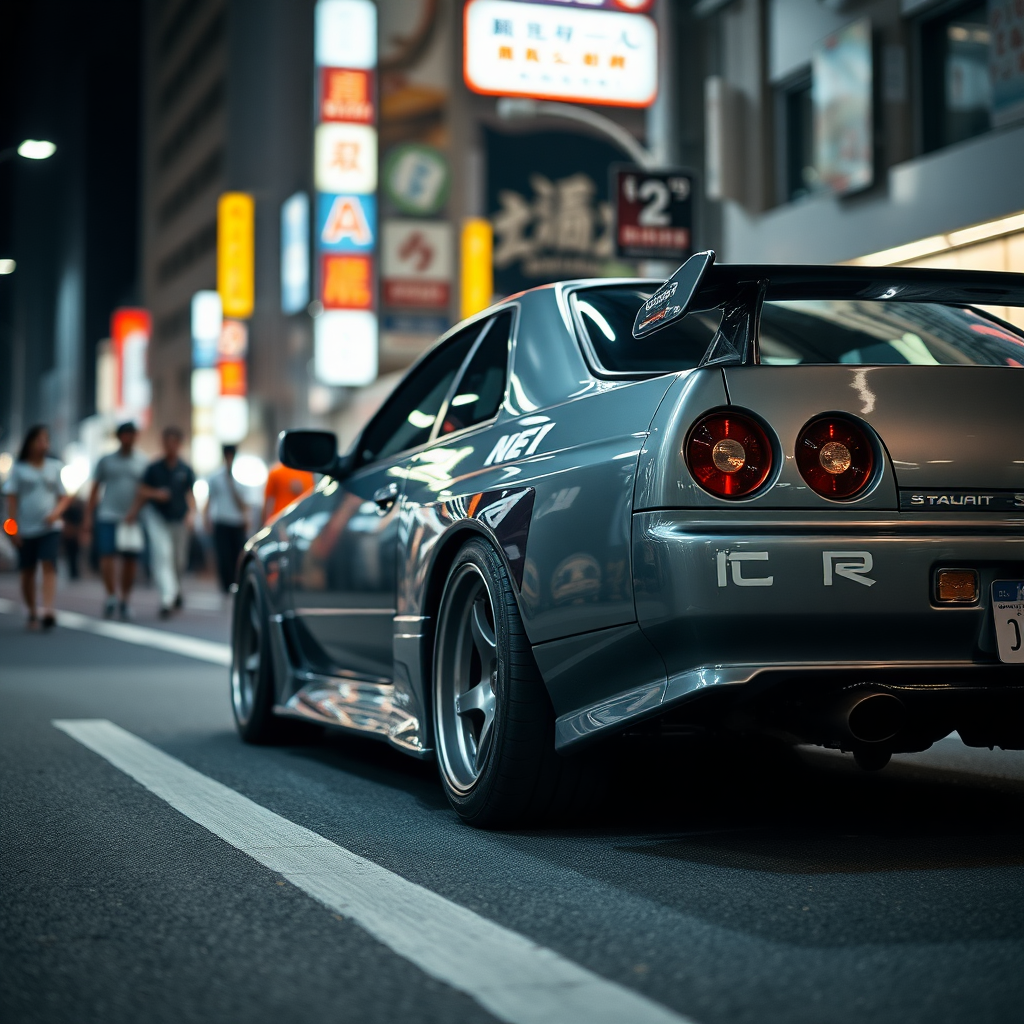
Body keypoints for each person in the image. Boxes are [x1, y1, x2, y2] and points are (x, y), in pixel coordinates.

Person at [1, 425, 70, 631]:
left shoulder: (54, 467)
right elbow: (11, 501)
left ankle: (48, 609)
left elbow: (64, 496)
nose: (43, 445)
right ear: (30, 443)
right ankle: (32, 610)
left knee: (49, 563)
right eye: (39, 440)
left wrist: (56, 513)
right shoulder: (19, 469)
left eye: (46, 440)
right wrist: (13, 530)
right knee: (27, 571)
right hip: (26, 528)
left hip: (50, 526)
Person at [128, 426, 196, 619]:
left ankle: (176, 590)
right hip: (157, 518)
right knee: (162, 555)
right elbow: (141, 490)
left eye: (175, 442)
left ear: (180, 444)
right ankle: (167, 598)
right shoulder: (153, 468)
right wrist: (154, 495)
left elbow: (191, 496)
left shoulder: (185, 469)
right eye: (168, 442)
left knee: (179, 560)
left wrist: (192, 514)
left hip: (180, 519)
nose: (171, 446)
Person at [85, 422, 148, 619]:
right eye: (125, 435)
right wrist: (88, 516)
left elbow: (144, 491)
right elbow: (95, 488)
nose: (129, 439)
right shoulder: (105, 460)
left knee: (130, 560)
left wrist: (135, 510)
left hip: (132, 518)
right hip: (108, 514)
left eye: (132, 435)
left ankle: (125, 599)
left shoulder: (143, 461)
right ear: (119, 437)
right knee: (107, 556)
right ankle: (111, 595)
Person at [205, 444, 248, 595]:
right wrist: (206, 519)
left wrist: (231, 484)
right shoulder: (215, 477)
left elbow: (244, 505)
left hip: (236, 522)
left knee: (237, 554)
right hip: (221, 521)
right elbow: (209, 500)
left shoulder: (241, 477)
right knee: (223, 555)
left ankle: (237, 582)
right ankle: (225, 585)